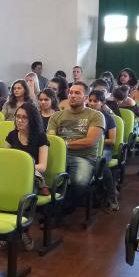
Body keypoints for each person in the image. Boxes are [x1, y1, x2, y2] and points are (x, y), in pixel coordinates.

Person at [47, 82, 105, 210]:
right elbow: (52, 140)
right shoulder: (56, 116)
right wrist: (62, 146)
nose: (72, 95)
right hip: (60, 157)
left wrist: (64, 144)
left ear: (86, 97)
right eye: (70, 93)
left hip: (83, 157)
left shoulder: (95, 115)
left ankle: (63, 209)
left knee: (79, 182)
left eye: (77, 93)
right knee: (41, 177)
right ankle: (50, 207)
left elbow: (90, 141)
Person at [2, 102, 49, 251]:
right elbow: (4, 159)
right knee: (4, 190)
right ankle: (6, 230)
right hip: (12, 176)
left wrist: (23, 166)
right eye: (18, 116)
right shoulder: (12, 135)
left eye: (24, 117)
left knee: (23, 195)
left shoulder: (40, 137)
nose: (19, 120)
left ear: (32, 119)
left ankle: (22, 231)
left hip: (31, 177)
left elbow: (42, 166)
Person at [87, 89, 119, 211]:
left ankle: (112, 196)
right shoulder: (84, 117)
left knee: (101, 161)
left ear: (102, 103)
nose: (92, 103)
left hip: (105, 148)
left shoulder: (108, 118)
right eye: (90, 100)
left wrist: (96, 140)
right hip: (87, 148)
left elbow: (112, 140)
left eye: (95, 101)